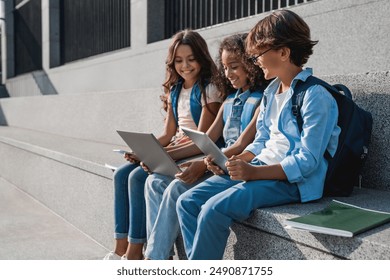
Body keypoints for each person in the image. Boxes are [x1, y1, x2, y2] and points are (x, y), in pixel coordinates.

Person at [176, 9, 341, 260]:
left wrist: (254, 173)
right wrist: (239, 160)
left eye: (258, 55)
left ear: (284, 53)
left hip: (292, 183)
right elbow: (262, 141)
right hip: (260, 167)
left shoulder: (315, 96)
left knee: (213, 209)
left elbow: (308, 161)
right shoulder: (270, 92)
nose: (255, 62)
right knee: (187, 202)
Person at [143, 33, 268, 260]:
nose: (228, 74)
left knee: (178, 190)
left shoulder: (261, 99)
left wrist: (202, 164)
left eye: (234, 66)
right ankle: (158, 259)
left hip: (236, 167)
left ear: (251, 64)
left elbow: (243, 144)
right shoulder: (229, 100)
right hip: (217, 164)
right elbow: (207, 140)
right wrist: (189, 159)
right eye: (225, 67)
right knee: (158, 182)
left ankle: (158, 260)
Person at [104, 29, 222, 260]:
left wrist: (159, 154)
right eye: (179, 60)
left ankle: (136, 251)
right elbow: (168, 133)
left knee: (138, 177)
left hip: (190, 155)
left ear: (201, 58)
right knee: (121, 174)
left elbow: (202, 139)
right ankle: (121, 248)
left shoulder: (209, 90)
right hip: (174, 151)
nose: (185, 65)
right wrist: (143, 150)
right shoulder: (176, 91)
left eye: (191, 59)